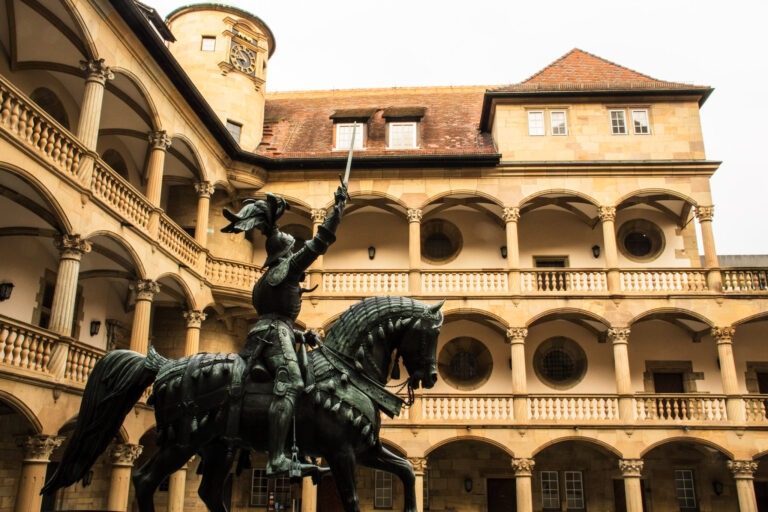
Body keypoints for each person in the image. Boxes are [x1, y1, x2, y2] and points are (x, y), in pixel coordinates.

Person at [221, 184, 347, 476]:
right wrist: (337, 210)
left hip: (268, 335)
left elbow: (274, 316)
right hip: (275, 337)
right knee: (292, 385)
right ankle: (277, 457)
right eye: (293, 248)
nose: (296, 252)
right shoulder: (287, 269)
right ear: (288, 253)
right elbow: (320, 242)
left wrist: (303, 336)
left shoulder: (265, 279)